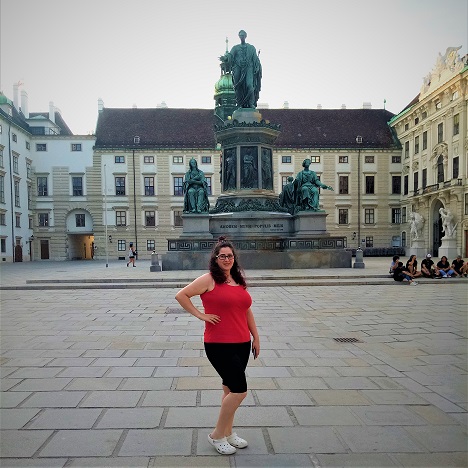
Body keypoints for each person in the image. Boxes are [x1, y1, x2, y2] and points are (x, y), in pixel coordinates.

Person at [175, 236, 260, 455]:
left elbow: (246, 310)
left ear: (234, 258)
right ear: (216, 258)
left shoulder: (237, 279)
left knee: (229, 389)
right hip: (219, 344)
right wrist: (201, 315)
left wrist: (256, 337)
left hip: (242, 343)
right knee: (239, 391)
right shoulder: (209, 279)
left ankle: (229, 433)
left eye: (230, 256)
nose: (227, 259)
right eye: (222, 256)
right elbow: (181, 295)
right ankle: (217, 435)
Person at [220, 30, 262, 109]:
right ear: (239, 36)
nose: (241, 37)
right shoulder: (235, 48)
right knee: (238, 86)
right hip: (238, 68)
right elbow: (230, 55)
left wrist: (257, 66)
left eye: (243, 35)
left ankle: (251, 103)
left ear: (245, 36)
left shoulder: (251, 48)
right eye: (240, 35)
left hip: (249, 68)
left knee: (250, 85)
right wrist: (225, 58)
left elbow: (255, 59)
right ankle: (240, 104)